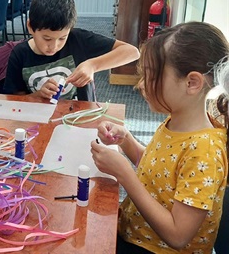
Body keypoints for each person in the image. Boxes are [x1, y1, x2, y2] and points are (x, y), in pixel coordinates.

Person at [90, 22, 229, 253]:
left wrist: (124, 174)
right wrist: (125, 139)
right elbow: (160, 170)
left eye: (151, 76)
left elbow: (177, 235)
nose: (141, 85)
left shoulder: (205, 151)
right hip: (136, 234)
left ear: (192, 83)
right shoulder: (177, 121)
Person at [3, 0, 140, 102]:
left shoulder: (78, 39)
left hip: (80, 116)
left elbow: (132, 52)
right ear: (30, 27)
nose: (54, 46)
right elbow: (14, 99)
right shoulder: (19, 54)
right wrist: (37, 96)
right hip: (39, 121)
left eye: (62, 38)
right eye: (47, 38)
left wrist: (92, 65)